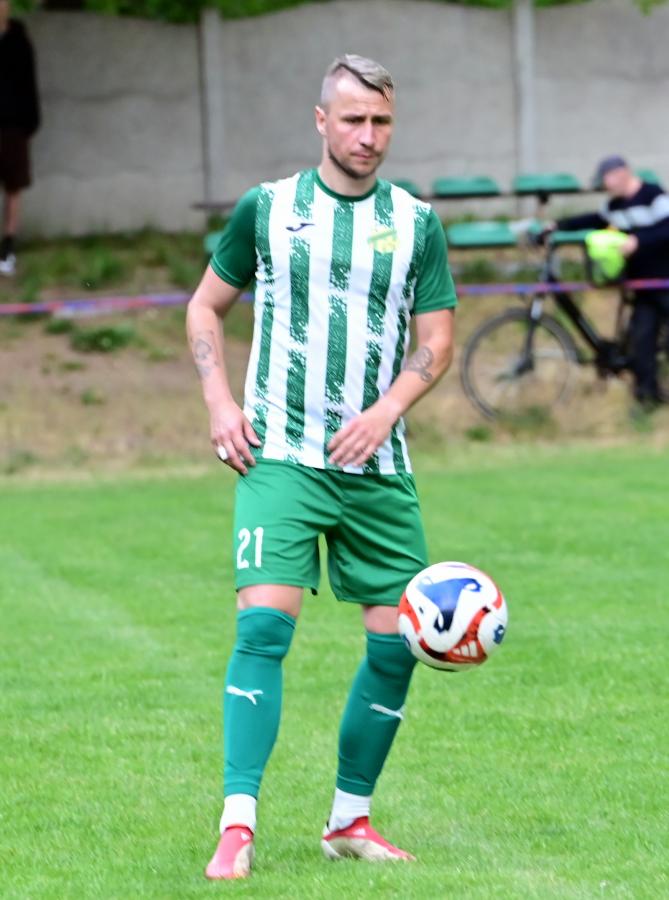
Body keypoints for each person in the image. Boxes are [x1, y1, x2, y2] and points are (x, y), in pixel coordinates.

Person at [186, 54, 457, 880]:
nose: (367, 136)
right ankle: (237, 825)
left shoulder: (416, 223)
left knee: (397, 646)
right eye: (352, 120)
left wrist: (384, 411)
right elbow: (204, 306)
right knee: (263, 629)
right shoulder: (267, 209)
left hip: (378, 469)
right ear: (321, 121)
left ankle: (348, 821)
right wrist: (219, 404)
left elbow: (437, 341)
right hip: (281, 458)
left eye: (380, 121)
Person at [552, 155, 669, 409]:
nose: (605, 186)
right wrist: (558, 225)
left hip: (664, 282)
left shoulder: (654, 195)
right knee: (642, 340)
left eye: (606, 180)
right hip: (643, 288)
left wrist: (640, 240)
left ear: (621, 173)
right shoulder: (615, 207)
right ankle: (648, 400)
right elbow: (593, 219)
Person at [0, 0, 40, 277]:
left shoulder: (19, 40)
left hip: (13, 127)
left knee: (14, 187)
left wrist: (30, 123)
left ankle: (8, 247)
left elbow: (29, 82)